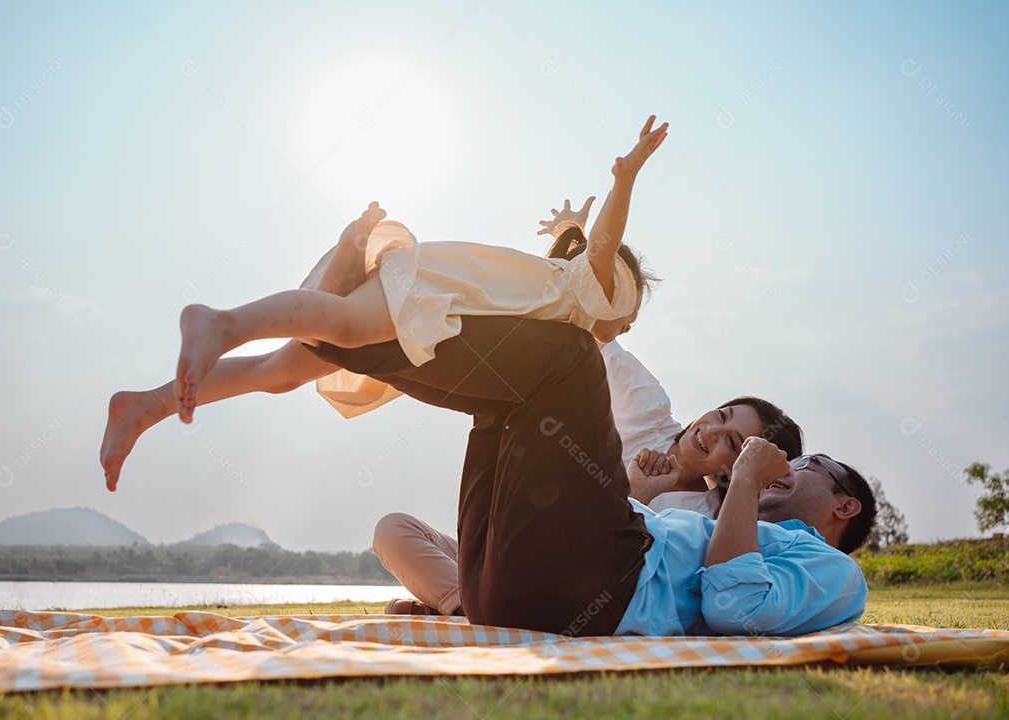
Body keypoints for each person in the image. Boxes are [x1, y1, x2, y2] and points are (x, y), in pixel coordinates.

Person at [300, 314, 878, 636]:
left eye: (806, 465)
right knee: (498, 406)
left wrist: (746, 481)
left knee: (570, 355)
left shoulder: (835, 573)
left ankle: (336, 335)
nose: (786, 467)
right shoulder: (749, 525)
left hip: (594, 580)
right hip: (528, 587)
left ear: (843, 504)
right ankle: (354, 333)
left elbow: (736, 608)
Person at [170, 117, 671, 429]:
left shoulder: (558, 289)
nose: (624, 331)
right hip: (435, 288)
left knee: (278, 375)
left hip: (443, 281)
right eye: (629, 321)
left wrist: (569, 226)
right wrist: (624, 181)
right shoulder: (602, 295)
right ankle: (221, 323)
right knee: (344, 325)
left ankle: (145, 408)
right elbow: (603, 248)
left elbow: (585, 250)